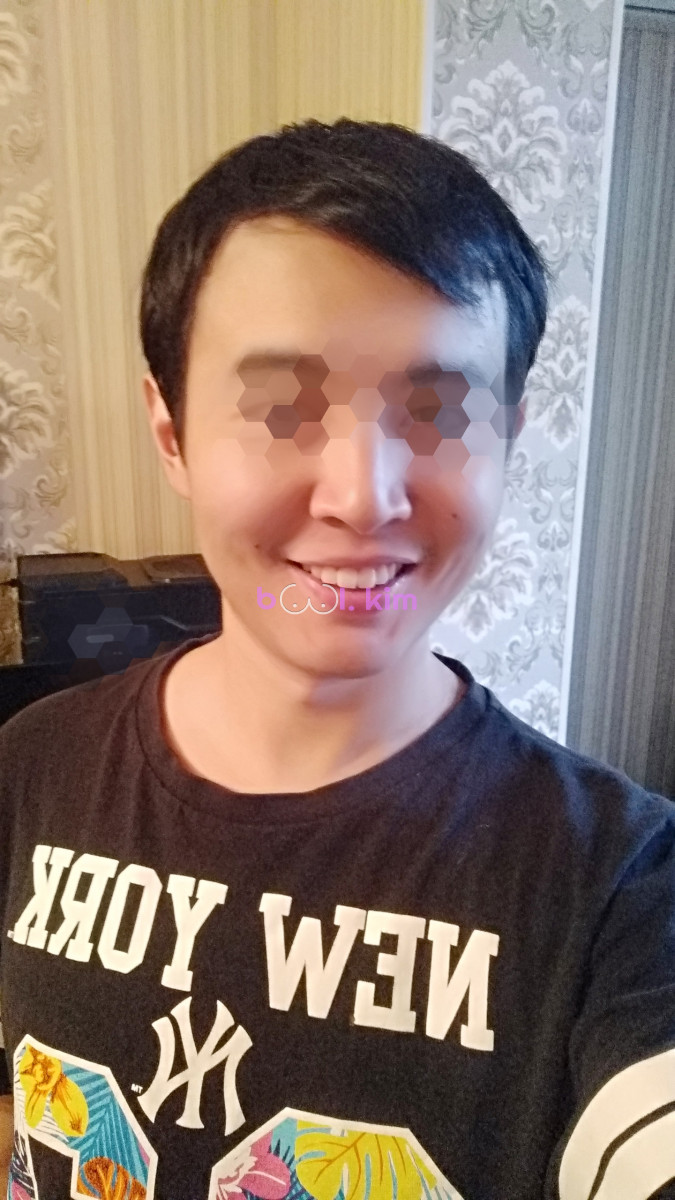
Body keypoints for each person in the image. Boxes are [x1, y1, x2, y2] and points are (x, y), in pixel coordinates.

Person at [0, 117, 673, 1200]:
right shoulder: (30, 771)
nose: (364, 497)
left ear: (508, 434)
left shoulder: (622, 888)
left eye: (438, 409)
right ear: (170, 432)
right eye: (282, 409)